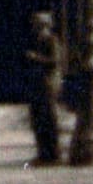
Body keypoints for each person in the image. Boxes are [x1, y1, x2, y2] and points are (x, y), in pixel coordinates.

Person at [24, 11, 64, 166]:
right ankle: (43, 153)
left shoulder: (52, 40)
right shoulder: (36, 40)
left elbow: (55, 60)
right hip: (37, 84)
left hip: (48, 83)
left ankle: (53, 154)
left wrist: (36, 58)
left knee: (49, 118)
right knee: (38, 119)